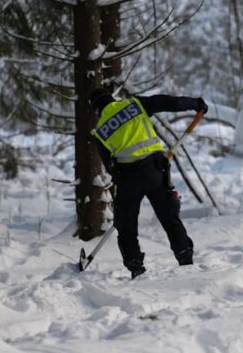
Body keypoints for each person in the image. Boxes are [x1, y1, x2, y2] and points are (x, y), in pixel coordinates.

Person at [89, 86, 207, 278]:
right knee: (169, 217)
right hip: (155, 171)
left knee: (126, 226)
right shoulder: (134, 104)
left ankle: (136, 267)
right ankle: (186, 259)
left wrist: (123, 186)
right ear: (112, 98)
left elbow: (110, 166)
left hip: (128, 178)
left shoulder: (100, 131)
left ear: (96, 109)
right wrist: (195, 103)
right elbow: (169, 102)